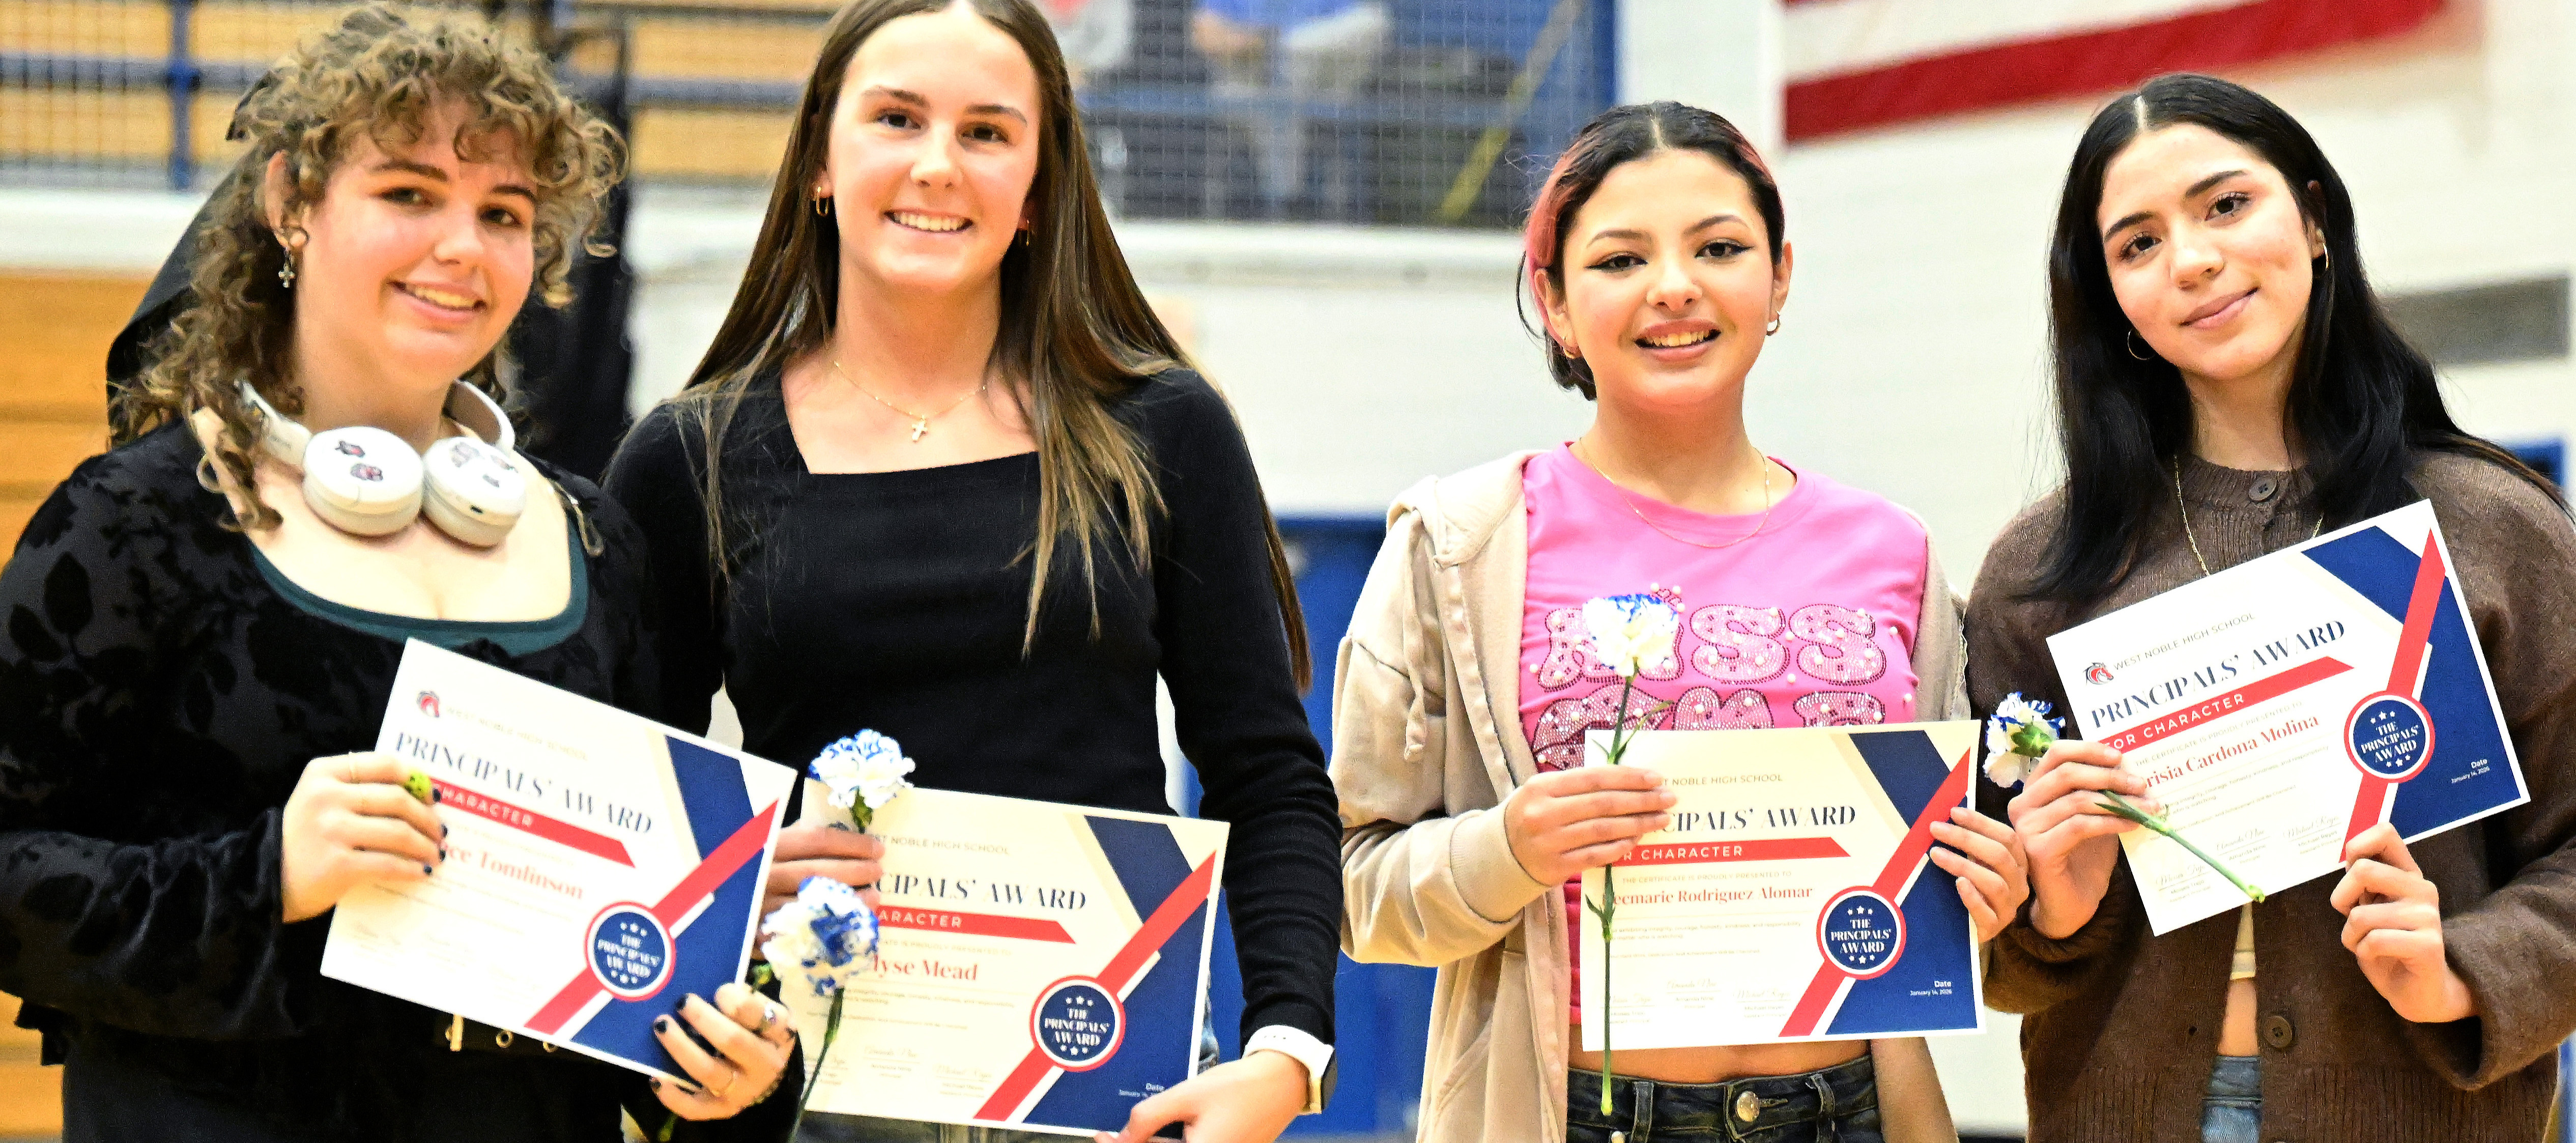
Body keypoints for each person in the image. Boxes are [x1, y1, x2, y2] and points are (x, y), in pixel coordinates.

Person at [0, 7, 793, 1140]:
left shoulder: (602, 549)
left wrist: (727, 1073)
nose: (464, 246)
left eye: (505, 213)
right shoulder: (134, 520)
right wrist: (265, 873)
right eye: (410, 194)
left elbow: (644, 960)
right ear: (292, 206)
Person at [600, 2, 1341, 1141]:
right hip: (802, 1095)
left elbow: (1267, 774)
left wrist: (1287, 1053)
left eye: (989, 133)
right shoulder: (691, 456)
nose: (938, 164)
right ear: (818, 161)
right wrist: (733, 897)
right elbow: (634, 820)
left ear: (1040, 187)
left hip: (1112, 1083)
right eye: (897, 118)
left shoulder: (1161, 428)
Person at [1330, 101, 2029, 1143]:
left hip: (1856, 1112)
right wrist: (1506, 849)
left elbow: (1940, 896)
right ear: (1555, 302)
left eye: (1720, 247)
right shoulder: (1461, 541)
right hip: (1570, 1113)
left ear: (1780, 276)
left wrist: (1991, 881)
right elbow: (1353, 890)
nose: (1674, 285)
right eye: (1619, 260)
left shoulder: (1895, 548)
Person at [1969, 72, 2576, 1143]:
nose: (2191, 260)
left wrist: (2464, 968)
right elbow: (1997, 955)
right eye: (2136, 244)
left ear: (2315, 220)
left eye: (2226, 205)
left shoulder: (2492, 523)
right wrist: (2054, 901)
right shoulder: (2042, 570)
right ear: (2111, 300)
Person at [1190, 0, 1388, 218]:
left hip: (1323, 85)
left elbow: (1368, 22)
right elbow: (1204, 32)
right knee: (1275, 101)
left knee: (1370, 21)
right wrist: (1256, 45)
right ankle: (1285, 206)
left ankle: (1288, 55)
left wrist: (1283, 48)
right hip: (1251, 82)